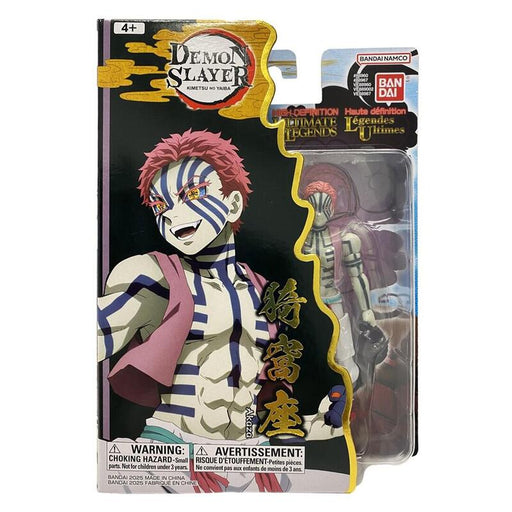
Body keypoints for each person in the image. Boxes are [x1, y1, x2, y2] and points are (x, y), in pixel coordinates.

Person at [97, 130, 347, 492]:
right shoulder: (154, 277)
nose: (173, 214)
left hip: (252, 459)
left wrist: (313, 425)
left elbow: (255, 398)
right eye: (159, 204)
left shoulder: (264, 291)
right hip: (171, 456)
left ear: (232, 204)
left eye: (193, 194)